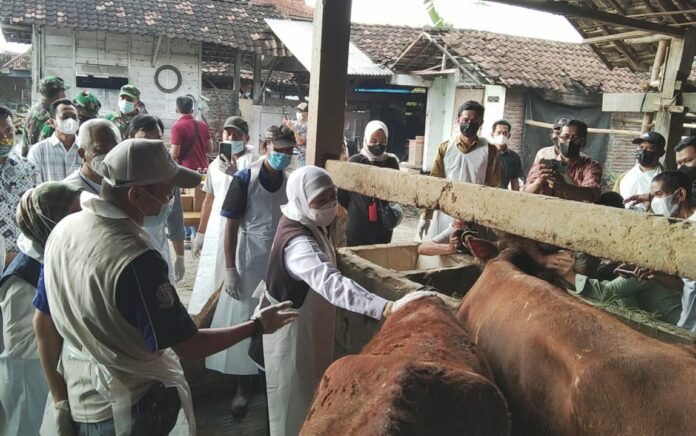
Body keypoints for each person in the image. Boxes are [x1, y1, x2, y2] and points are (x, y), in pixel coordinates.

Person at [37, 138, 297, 435]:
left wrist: (59, 398)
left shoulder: (65, 230)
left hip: (78, 390)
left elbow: (42, 323)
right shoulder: (135, 258)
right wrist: (256, 325)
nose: (171, 197)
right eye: (166, 190)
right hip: (127, 405)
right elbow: (189, 345)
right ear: (135, 194)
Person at [259, 165, 440, 436]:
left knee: (311, 391)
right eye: (321, 199)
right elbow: (332, 283)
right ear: (300, 199)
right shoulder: (298, 243)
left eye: (333, 196)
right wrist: (385, 307)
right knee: (291, 400)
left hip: (309, 322)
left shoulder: (311, 221)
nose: (330, 204)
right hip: (292, 330)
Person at [206, 125, 294, 418]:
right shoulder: (245, 179)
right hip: (247, 261)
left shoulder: (290, 181)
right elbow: (230, 226)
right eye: (278, 150)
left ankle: (269, 382)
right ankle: (243, 387)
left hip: (277, 262)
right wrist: (230, 268)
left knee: (275, 319)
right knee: (246, 320)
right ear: (267, 145)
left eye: (288, 151)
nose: (283, 155)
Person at [0, 182, 81, 436]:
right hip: (29, 380)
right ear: (50, 220)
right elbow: (18, 343)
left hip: (50, 373)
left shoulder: (51, 254)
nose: (79, 221)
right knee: (26, 428)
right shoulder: (23, 275)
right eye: (72, 214)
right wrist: (73, 338)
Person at [189, 116, 260, 315]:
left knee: (234, 271)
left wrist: (237, 174)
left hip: (242, 226)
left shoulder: (254, 162)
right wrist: (201, 233)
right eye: (228, 133)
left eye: (237, 134)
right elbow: (208, 199)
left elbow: (258, 196)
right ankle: (206, 315)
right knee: (211, 272)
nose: (231, 137)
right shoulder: (214, 166)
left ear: (246, 137)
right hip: (215, 227)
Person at [417, 100, 500, 240]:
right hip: (445, 211)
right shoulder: (445, 148)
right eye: (465, 119)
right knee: (440, 251)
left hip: (474, 212)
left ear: (481, 122)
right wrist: (427, 215)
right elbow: (434, 182)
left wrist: (490, 218)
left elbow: (494, 186)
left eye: (474, 121)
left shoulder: (489, 150)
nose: (469, 123)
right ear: (458, 120)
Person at [129, 114, 187, 283]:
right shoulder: (119, 170)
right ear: (130, 138)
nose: (151, 146)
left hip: (157, 246)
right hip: (126, 251)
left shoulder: (167, 170)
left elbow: (175, 216)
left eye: (157, 140)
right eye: (145, 140)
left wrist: (181, 256)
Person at [337, 120, 401, 246]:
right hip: (358, 218)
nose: (378, 145)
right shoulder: (355, 161)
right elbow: (342, 194)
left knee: (380, 252)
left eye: (383, 141)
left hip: (383, 219)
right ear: (366, 139)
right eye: (373, 141)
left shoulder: (391, 162)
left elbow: (396, 190)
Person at [524, 119, 602, 202]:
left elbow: (592, 195)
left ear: (583, 142)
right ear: (558, 140)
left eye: (575, 138)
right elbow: (525, 193)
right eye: (565, 137)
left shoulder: (590, 166)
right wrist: (539, 181)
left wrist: (564, 186)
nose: (569, 141)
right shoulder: (545, 164)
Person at [0, 106, 37, 268]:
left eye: (8, 131)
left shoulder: (27, 167)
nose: (5, 138)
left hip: (25, 259)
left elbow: (34, 211)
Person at [27, 99, 81, 183]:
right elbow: (33, 184)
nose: (71, 121)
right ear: (52, 122)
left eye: (74, 117)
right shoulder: (38, 151)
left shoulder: (86, 149)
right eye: (65, 117)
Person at [63, 118, 121, 195]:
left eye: (115, 149)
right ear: (82, 153)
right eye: (101, 150)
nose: (110, 155)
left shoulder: (124, 186)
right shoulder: (68, 193)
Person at [613, 131, 664, 209]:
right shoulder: (623, 177)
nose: (644, 151)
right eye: (641, 147)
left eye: (650, 148)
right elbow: (613, 201)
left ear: (661, 152)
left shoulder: (665, 180)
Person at [170, 95, 212, 171]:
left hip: (186, 172)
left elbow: (174, 154)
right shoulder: (203, 125)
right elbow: (209, 149)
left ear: (176, 110)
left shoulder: (177, 127)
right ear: (192, 110)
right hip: (203, 170)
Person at [24, 76, 69, 146]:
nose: (65, 95)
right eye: (63, 92)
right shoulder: (47, 118)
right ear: (60, 94)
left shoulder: (35, 109)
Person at [491, 119, 523, 190]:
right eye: (498, 132)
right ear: (492, 134)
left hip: (502, 195)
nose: (501, 135)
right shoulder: (485, 153)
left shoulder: (514, 157)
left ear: (509, 135)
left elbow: (514, 181)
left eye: (505, 133)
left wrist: (516, 198)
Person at [284, 101, 308, 167]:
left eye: (301, 111)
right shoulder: (297, 123)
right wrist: (286, 124)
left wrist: (292, 128)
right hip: (293, 156)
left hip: (302, 158)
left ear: (307, 113)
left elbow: (300, 141)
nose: (298, 113)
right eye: (298, 111)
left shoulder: (309, 125)